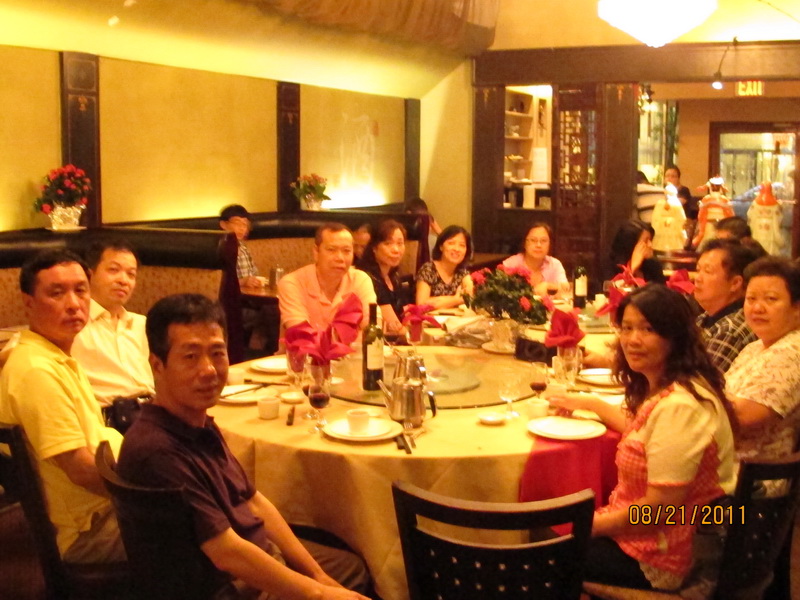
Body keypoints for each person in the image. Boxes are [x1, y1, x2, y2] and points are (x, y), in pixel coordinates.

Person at [117, 294, 371, 599]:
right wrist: (318, 593)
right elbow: (227, 552)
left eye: (217, 353)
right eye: (191, 356)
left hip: (255, 555)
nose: (209, 370)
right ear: (157, 365)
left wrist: (318, 575)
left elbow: (253, 502)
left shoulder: (196, 422)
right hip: (226, 587)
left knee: (350, 568)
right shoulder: (156, 450)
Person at [549, 284, 736, 592]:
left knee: (535, 555)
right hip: (649, 535)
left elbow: (659, 511)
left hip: (664, 554)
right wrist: (589, 403)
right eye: (627, 328)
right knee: (547, 536)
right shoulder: (673, 386)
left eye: (648, 329)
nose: (633, 340)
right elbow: (644, 432)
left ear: (676, 336)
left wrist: (586, 526)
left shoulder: (680, 406)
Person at [0, 249, 125, 563]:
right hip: (89, 531)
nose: (73, 304)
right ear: (29, 302)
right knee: (205, 525)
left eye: (80, 290)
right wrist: (148, 497)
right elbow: (81, 469)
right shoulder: (36, 371)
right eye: (56, 293)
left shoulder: (53, 355)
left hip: (104, 511)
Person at [726, 256, 800, 462]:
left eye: (771, 299)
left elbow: (742, 417)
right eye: (751, 299)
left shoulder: (792, 351)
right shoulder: (755, 347)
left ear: (797, 308)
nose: (757, 308)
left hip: (754, 472)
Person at [71, 239, 154, 411]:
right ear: (89, 275)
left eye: (131, 274)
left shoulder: (143, 324)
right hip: (108, 416)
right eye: (114, 270)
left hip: (153, 410)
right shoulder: (72, 324)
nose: (124, 280)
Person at [278, 223, 376, 331]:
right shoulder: (292, 283)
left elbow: (373, 328)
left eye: (346, 251)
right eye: (331, 250)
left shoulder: (360, 280)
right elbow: (301, 334)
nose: (340, 258)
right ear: (316, 252)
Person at [693, 239, 758, 372]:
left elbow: (703, 381)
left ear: (735, 283)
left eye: (708, 271)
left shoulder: (730, 330)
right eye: (698, 270)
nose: (698, 278)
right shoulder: (705, 317)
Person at [357, 219, 412, 334]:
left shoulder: (394, 277)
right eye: (388, 243)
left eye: (400, 243)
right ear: (374, 247)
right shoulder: (369, 279)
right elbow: (395, 326)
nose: (396, 250)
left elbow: (407, 315)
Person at [415, 225, 474, 310]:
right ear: (441, 246)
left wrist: (439, 302)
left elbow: (469, 297)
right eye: (451, 243)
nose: (456, 249)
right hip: (429, 318)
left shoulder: (462, 273)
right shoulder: (428, 270)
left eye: (462, 245)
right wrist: (456, 299)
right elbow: (421, 304)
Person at [501, 223, 567, 297]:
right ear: (525, 243)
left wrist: (548, 286)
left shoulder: (554, 264)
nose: (538, 245)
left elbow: (565, 289)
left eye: (543, 241)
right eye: (533, 240)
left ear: (550, 244)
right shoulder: (510, 264)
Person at [608, 219, 665, 284]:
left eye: (650, 240)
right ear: (631, 244)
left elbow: (661, 290)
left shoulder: (654, 265)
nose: (650, 245)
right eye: (645, 241)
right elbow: (613, 288)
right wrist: (632, 268)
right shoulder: (609, 266)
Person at [219, 204, 259, 288]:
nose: (242, 228)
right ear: (223, 224)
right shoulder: (220, 249)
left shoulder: (243, 247)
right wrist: (243, 282)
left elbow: (254, 273)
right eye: (237, 223)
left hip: (248, 292)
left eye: (244, 224)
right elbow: (219, 282)